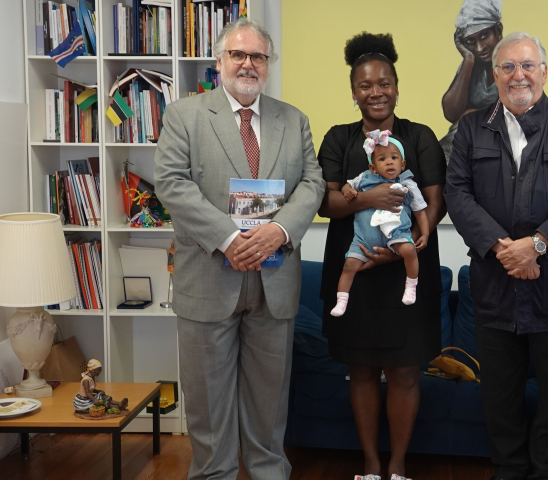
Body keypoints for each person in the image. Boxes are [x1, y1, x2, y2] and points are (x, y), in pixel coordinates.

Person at [153, 17, 324, 480]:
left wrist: (280, 231)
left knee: (270, 401)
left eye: (258, 57)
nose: (248, 64)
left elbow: (313, 183)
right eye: (238, 54)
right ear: (219, 61)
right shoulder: (184, 115)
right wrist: (229, 238)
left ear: (269, 64)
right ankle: (214, 474)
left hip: (275, 279)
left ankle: (269, 472)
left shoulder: (294, 119)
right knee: (207, 401)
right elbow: (171, 183)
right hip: (209, 276)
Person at [444, 32, 548, 480]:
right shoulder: (472, 128)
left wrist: (536, 245)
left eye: (528, 65)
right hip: (495, 288)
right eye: (509, 67)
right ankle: (510, 470)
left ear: (544, 72)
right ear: (494, 75)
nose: (519, 75)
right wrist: (505, 249)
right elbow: (457, 193)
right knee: (499, 394)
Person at [316, 32, 446, 480]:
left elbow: (434, 201)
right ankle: (370, 464)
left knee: (407, 373)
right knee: (363, 372)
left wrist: (397, 251)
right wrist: (369, 202)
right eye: (366, 85)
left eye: (384, 83)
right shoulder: (338, 139)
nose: (376, 92)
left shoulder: (421, 136)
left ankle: (397, 466)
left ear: (396, 86)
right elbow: (325, 204)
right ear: (354, 92)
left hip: (407, 267)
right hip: (354, 271)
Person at [330, 130, 431, 316]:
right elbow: (347, 185)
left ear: (403, 163)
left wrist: (424, 234)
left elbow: (420, 212)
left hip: (397, 234)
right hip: (363, 237)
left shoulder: (409, 184)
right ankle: (342, 300)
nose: (390, 161)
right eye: (382, 159)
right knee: (349, 265)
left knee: (409, 250)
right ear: (373, 167)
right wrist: (346, 191)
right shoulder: (364, 178)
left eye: (394, 157)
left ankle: (411, 286)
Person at [439, 0, 504, 159]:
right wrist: (468, 59)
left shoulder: (511, 64)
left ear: (498, 30)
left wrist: (471, 114)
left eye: (484, 36)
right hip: (464, 144)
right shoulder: (473, 65)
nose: (479, 48)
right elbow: (451, 113)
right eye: (471, 42)